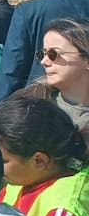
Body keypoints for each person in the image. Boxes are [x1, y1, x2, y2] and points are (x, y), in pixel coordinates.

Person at [22, 17, 89, 146]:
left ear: (86, 60)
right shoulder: (27, 107)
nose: (44, 62)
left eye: (54, 54)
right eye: (43, 54)